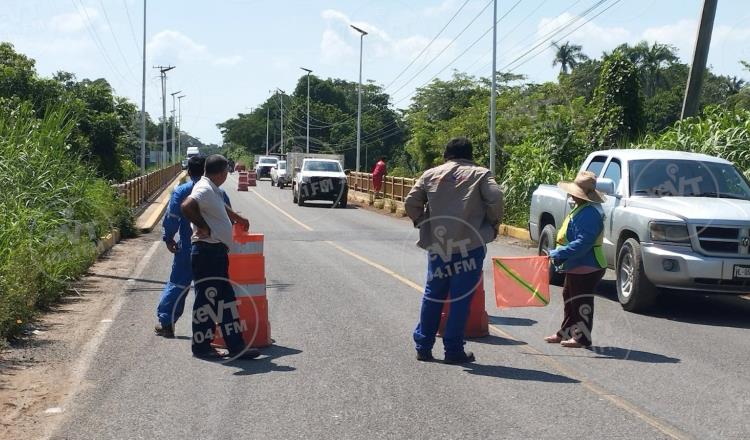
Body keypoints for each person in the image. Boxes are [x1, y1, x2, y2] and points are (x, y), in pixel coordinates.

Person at [405, 137, 503, 364]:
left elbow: (411, 202)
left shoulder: (430, 174)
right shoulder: (480, 174)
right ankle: (453, 350)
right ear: (470, 155)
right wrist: (492, 224)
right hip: (470, 244)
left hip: (440, 247)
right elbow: (496, 197)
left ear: (446, 155)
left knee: (433, 295)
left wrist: (422, 222)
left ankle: (424, 346)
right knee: (460, 299)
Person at [180, 154, 260, 360]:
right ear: (222, 173)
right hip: (207, 252)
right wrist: (203, 226)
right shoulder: (204, 188)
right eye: (226, 171)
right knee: (207, 303)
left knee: (226, 302)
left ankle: (236, 347)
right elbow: (187, 206)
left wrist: (236, 217)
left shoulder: (210, 189)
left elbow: (217, 205)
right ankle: (201, 347)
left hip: (215, 252)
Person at [154, 157, 233, 338]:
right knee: (210, 291)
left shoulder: (181, 191)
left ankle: (167, 322)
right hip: (212, 250)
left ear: (189, 172)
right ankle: (211, 332)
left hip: (187, 248)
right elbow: (227, 221)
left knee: (178, 284)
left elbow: (172, 217)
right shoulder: (217, 192)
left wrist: (168, 238)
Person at [545, 171, 607, 348]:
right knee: (570, 300)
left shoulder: (589, 213)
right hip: (577, 264)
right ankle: (565, 333)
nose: (571, 194)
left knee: (581, 302)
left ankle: (582, 338)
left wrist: (558, 253)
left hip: (588, 265)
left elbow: (583, 243)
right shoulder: (582, 209)